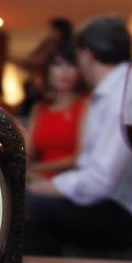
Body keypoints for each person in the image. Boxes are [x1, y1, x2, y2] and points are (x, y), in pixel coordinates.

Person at [24, 16, 132, 255]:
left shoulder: (122, 93)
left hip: (127, 215)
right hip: (115, 203)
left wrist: (45, 187)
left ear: (87, 55)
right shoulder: (115, 89)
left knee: (27, 207)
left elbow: (99, 182)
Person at [27, 43, 88, 179]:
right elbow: (29, 151)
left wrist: (35, 169)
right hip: (37, 179)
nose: (64, 72)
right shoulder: (40, 108)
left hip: (72, 182)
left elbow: (79, 158)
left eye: (71, 65)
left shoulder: (86, 104)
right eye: (58, 64)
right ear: (48, 70)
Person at [18, 18, 73, 117]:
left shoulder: (66, 48)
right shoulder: (47, 44)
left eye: (53, 30)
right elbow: (31, 60)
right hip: (40, 90)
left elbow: (37, 60)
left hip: (47, 91)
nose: (51, 33)